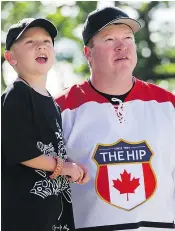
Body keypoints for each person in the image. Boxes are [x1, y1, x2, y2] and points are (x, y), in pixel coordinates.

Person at [56, 6, 175, 231]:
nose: (122, 46)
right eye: (109, 39)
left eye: (128, 38)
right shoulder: (61, 109)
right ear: (88, 53)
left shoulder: (168, 105)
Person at [2, 18, 89, 231]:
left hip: (54, 214)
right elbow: (20, 150)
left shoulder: (52, 102)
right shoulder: (17, 95)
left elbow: (51, 146)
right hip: (26, 216)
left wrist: (71, 165)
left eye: (46, 41)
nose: (41, 46)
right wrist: (63, 166)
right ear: (10, 57)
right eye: (30, 42)